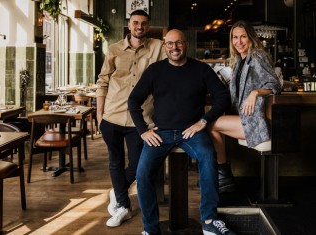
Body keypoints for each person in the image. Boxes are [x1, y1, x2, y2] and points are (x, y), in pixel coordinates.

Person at [128, 29, 235, 235]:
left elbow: (223, 96)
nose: (174, 48)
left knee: (208, 157)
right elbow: (133, 100)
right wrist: (143, 131)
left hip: (191, 131)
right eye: (169, 44)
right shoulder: (154, 70)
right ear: (164, 46)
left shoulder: (201, 69)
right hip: (161, 133)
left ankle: (209, 221)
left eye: (178, 43)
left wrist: (203, 121)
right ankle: (150, 229)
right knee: (142, 174)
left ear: (186, 44)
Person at [95, 9, 166, 228]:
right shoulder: (114, 49)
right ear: (129, 24)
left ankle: (117, 192)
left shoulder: (158, 48)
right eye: (135, 23)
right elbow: (103, 80)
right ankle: (123, 207)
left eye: (144, 23)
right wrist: (99, 115)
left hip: (141, 119)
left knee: (137, 165)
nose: (139, 27)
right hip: (112, 115)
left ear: (148, 26)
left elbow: (169, 68)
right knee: (115, 161)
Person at [208, 20, 282, 193]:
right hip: (244, 118)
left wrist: (255, 92)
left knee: (210, 123)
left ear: (251, 38)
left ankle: (223, 175)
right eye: (235, 37)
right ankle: (223, 175)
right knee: (211, 123)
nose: (238, 41)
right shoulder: (240, 60)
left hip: (256, 122)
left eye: (243, 37)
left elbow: (275, 85)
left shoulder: (257, 56)